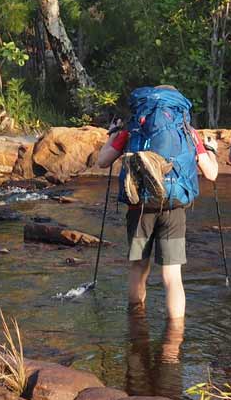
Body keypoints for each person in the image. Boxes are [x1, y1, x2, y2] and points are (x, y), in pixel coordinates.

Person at [92, 86, 220, 320]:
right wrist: (211, 150)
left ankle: (136, 325)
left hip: (139, 206)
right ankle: (174, 340)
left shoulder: (134, 127)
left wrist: (112, 134)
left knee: (139, 268)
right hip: (173, 205)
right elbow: (211, 173)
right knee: (172, 277)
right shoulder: (187, 130)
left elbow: (103, 161)